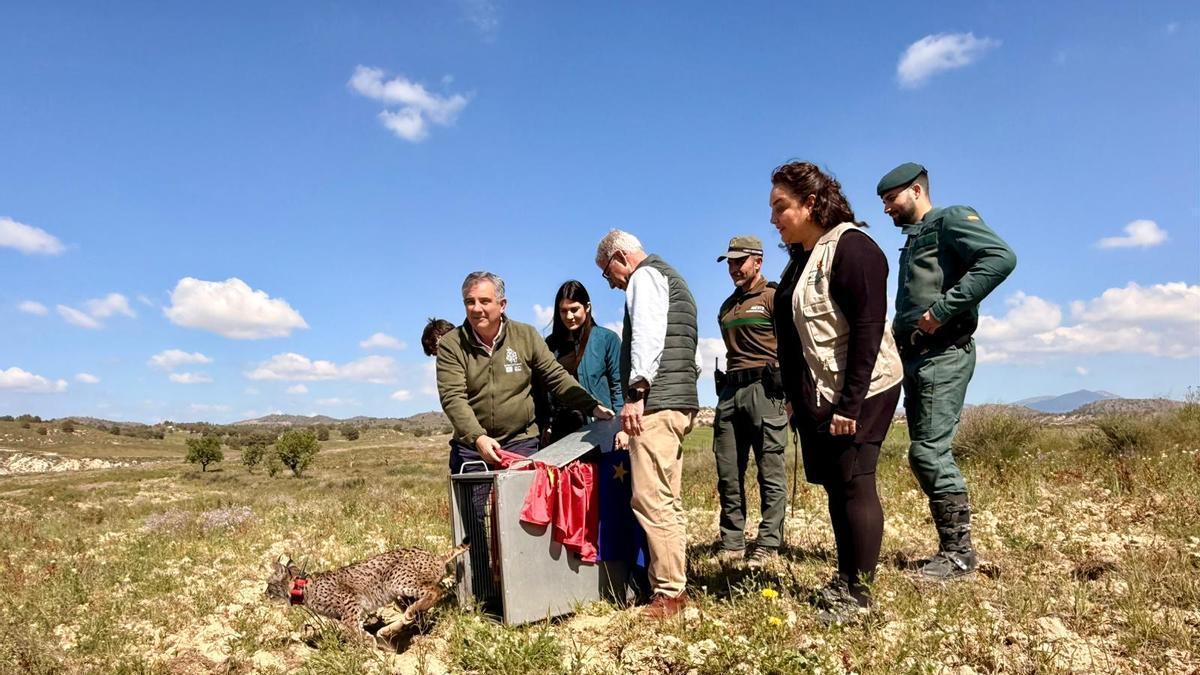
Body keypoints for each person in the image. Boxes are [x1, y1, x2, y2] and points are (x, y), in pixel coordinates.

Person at [769, 161, 903, 621]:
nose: (773, 218)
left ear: (810, 203)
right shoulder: (802, 259)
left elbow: (868, 331)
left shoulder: (853, 248)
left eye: (781, 207)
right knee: (835, 484)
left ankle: (859, 596)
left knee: (855, 482)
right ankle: (845, 579)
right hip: (821, 393)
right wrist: (795, 397)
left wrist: (850, 404)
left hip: (863, 389)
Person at [437, 271, 614, 607]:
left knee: (522, 519)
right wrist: (477, 438)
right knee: (474, 523)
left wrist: (591, 405)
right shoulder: (451, 345)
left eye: (485, 301)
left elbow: (556, 377)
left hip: (521, 443)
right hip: (473, 448)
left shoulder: (526, 336)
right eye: (470, 302)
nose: (477, 308)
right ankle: (483, 595)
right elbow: (453, 398)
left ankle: (524, 594)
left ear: (502, 304)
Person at [876, 162, 1017, 580]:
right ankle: (953, 550)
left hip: (943, 354)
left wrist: (942, 310)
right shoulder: (916, 237)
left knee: (928, 452)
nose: (886, 208)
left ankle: (959, 555)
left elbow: (1000, 258)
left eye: (891, 198)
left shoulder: (951, 219)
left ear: (917, 191)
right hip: (917, 357)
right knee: (924, 451)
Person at [595, 229, 699, 620]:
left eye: (607, 273)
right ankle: (675, 584)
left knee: (651, 498)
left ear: (620, 257)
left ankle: (669, 594)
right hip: (680, 400)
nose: (611, 283)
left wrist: (637, 394)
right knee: (667, 499)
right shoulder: (675, 279)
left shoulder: (644, 277)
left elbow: (647, 336)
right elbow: (688, 352)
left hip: (656, 405)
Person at [711, 235, 789, 569]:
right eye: (729, 262)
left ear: (758, 261)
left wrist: (791, 394)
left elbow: (792, 347)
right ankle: (732, 541)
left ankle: (768, 543)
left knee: (769, 471)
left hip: (765, 390)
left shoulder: (774, 297)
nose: (734, 268)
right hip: (730, 392)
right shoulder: (726, 307)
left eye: (739, 261)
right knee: (728, 472)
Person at [542, 280, 624, 443]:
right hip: (562, 430)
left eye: (574, 309)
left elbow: (618, 386)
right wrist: (547, 423)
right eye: (563, 311)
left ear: (587, 307)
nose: (569, 316)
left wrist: (621, 426)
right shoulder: (550, 344)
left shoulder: (607, 340)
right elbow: (547, 390)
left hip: (600, 427)